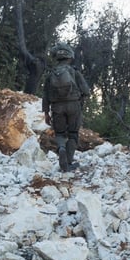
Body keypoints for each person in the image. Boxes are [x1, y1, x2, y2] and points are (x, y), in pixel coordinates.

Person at [42, 42, 90, 172]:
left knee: (60, 133)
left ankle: (61, 148)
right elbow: (86, 90)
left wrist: (46, 113)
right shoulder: (73, 71)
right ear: (69, 57)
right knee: (73, 133)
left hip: (57, 107)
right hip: (74, 105)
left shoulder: (51, 74)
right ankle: (68, 162)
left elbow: (45, 95)